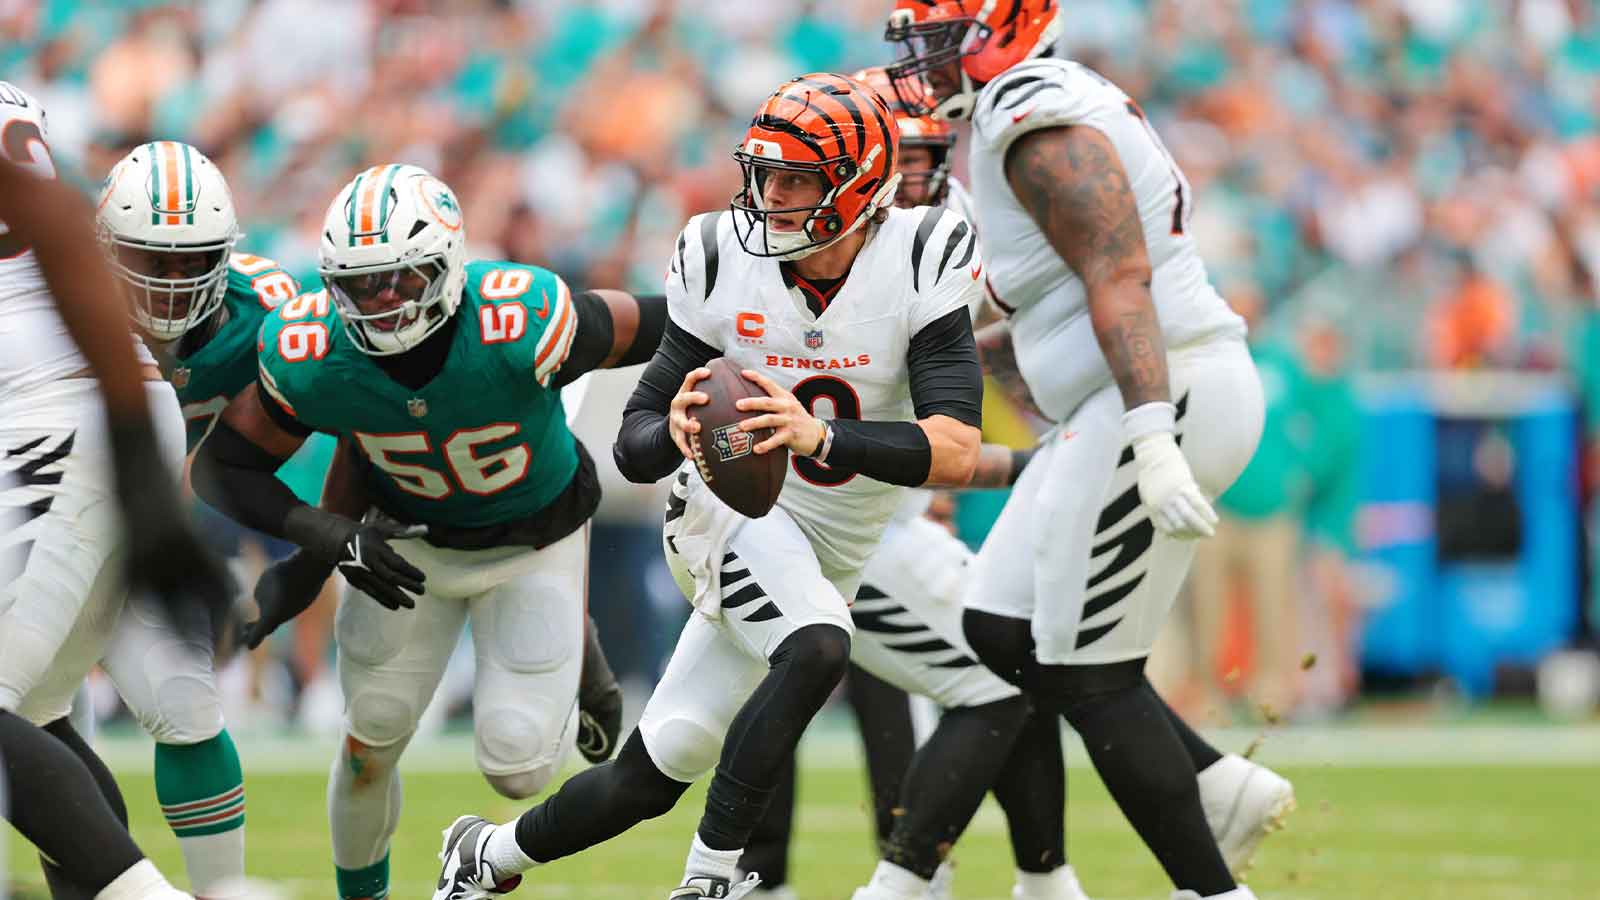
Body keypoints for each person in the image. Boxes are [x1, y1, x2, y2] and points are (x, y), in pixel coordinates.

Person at [429, 71, 983, 900]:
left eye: (795, 179)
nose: (771, 196)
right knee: (820, 643)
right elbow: (637, 442)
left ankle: (485, 856)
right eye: (764, 174)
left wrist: (822, 433)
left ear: (860, 185)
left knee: (658, 767)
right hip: (727, 513)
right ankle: (714, 877)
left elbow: (956, 448)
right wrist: (677, 430)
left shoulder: (922, 252)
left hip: (835, 538)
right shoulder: (718, 252)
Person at [883, 4, 1294, 899]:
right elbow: (1024, 316)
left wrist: (1151, 433)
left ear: (1004, 29)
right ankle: (1216, 784)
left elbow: (1120, 274)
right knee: (996, 626)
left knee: (1086, 672)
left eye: (939, 40)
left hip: (1156, 392)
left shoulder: (1035, 119)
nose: (924, 64)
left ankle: (1213, 891)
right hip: (1114, 399)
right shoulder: (1012, 121)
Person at [189, 163, 659, 900]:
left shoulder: (520, 315)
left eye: (401, 280)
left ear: (447, 266)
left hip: (533, 537)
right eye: (359, 285)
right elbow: (223, 464)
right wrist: (323, 539)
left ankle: (582, 644)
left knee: (519, 767)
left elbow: (665, 327)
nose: (380, 302)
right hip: (402, 540)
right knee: (368, 737)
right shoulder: (312, 348)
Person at [746, 65, 1087, 900]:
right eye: (897, 157)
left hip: (888, 501)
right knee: (774, 690)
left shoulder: (941, 234)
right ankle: (766, 877)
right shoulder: (783, 239)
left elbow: (960, 377)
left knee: (955, 682)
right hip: (816, 508)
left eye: (928, 154)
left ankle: (960, 878)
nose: (913, 177)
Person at [0, 81, 230, 900]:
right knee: (30, 719)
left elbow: (58, 220)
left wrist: (130, 450)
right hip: (73, 407)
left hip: (52, 412)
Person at [93, 139, 269, 899]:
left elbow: (335, 388)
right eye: (149, 259)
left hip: (137, 537)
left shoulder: (264, 313)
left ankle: (216, 891)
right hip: (28, 525)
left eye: (190, 261)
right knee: (36, 718)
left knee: (186, 704)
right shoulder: (48, 295)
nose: (169, 282)